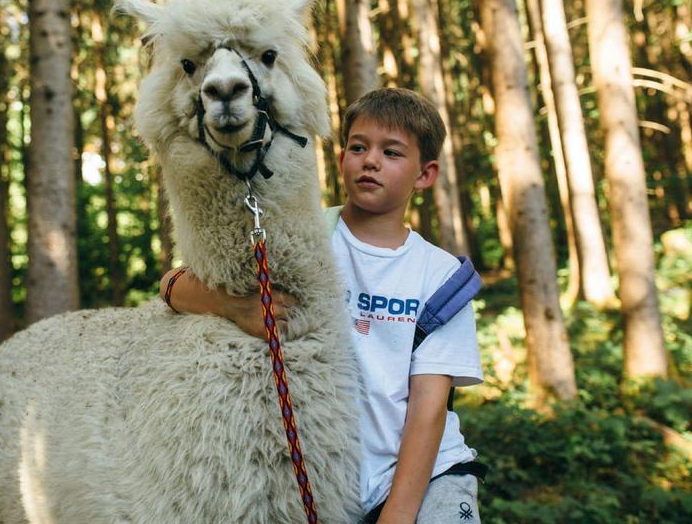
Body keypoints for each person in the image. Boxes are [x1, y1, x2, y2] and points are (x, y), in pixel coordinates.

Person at [160, 87, 484, 523]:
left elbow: (429, 410)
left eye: (391, 152)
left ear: (425, 175)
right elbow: (173, 286)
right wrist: (237, 307)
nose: (370, 161)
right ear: (340, 159)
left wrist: (396, 516)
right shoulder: (301, 238)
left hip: (427, 477)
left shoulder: (442, 278)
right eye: (357, 147)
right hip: (321, 478)